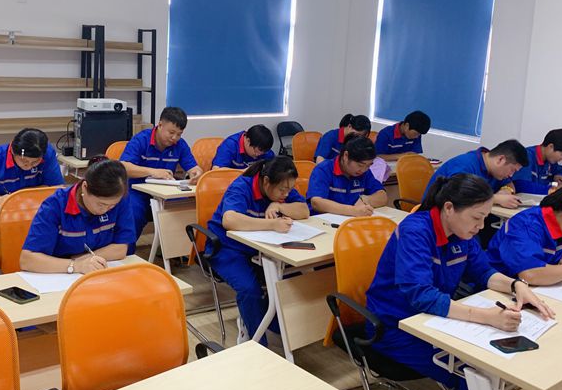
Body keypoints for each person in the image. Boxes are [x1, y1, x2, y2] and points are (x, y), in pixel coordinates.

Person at [365, 174, 554, 390]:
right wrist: (487, 317)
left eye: (485, 218)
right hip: (395, 327)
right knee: (472, 373)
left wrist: (516, 285)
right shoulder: (416, 231)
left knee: (494, 362)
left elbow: (483, 272)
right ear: (449, 208)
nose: (481, 226)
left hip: (434, 321)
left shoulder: (462, 232)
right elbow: (421, 295)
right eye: (477, 217)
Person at [207, 157, 309, 345]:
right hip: (228, 248)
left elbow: (304, 210)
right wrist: (272, 224)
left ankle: (279, 327)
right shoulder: (242, 187)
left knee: (292, 281)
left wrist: (280, 205)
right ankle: (257, 344)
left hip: (263, 249)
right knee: (250, 289)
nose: (286, 193)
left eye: (289, 190)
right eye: (282, 190)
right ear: (266, 181)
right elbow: (229, 220)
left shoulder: (282, 189)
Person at [21, 157, 133, 274]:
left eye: (112, 206)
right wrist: (76, 265)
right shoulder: (55, 206)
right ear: (85, 187)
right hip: (59, 274)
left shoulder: (118, 198)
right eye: (101, 204)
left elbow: (121, 248)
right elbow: (27, 260)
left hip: (96, 273)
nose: (105, 210)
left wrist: (86, 260)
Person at [120, 107, 203, 250]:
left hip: (165, 192)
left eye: (179, 134)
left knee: (185, 208)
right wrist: (153, 172)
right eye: (171, 132)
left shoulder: (180, 145)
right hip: (137, 191)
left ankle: (179, 252)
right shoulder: (141, 140)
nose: (174, 138)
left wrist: (197, 173)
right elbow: (124, 167)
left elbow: (193, 167)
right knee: (134, 212)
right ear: (160, 125)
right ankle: (126, 253)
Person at [424, 139, 529, 209]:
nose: (511, 175)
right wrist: (495, 199)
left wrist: (506, 190)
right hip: (437, 218)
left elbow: (509, 183)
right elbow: (458, 196)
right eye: (512, 170)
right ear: (500, 159)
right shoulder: (465, 165)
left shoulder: (496, 171)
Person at [308, 136, 387, 216]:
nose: (363, 170)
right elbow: (316, 202)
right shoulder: (324, 169)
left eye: (368, 165)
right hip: (323, 220)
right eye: (360, 165)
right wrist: (352, 210)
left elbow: (382, 196)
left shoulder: (365, 172)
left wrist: (365, 200)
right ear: (346, 156)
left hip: (352, 219)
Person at [314, 114, 390, 183]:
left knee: (379, 162)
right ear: (349, 126)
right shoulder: (330, 137)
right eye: (356, 134)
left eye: (360, 137)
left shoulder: (359, 141)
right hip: (332, 173)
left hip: (351, 174)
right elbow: (319, 160)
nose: (356, 138)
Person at [513, 129, 562, 194]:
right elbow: (521, 185)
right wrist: (553, 189)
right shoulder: (526, 156)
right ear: (551, 147)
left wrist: (560, 177)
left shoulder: (551, 161)